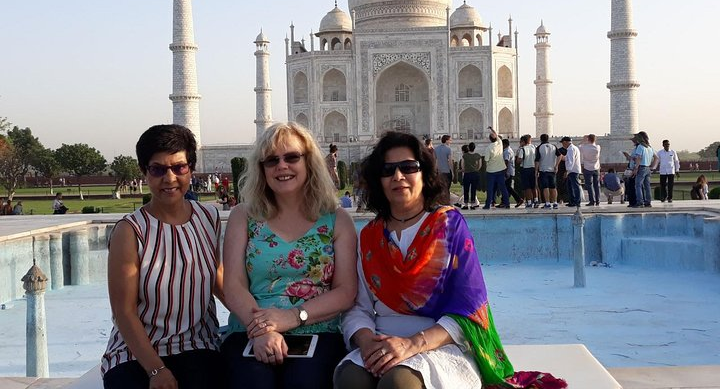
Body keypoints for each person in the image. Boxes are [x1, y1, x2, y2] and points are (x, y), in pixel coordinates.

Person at [334, 131, 566, 389]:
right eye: (388, 170)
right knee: (350, 379)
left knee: (399, 383)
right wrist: (367, 342)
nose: (398, 176)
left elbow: (469, 308)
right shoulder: (370, 236)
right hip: (383, 341)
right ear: (378, 179)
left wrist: (412, 344)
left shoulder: (448, 226)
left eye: (408, 167)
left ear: (424, 173)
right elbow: (359, 307)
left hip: (439, 343)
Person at [221, 122, 357, 389]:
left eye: (292, 157)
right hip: (252, 330)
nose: (281, 166)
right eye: (272, 160)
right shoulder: (244, 216)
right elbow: (233, 285)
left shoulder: (336, 220)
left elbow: (345, 291)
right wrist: (262, 330)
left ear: (309, 162)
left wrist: (293, 317)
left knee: (305, 382)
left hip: (317, 329)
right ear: (262, 169)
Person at [101, 124, 225, 388]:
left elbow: (218, 279)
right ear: (144, 172)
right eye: (158, 169)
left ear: (191, 168)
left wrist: (259, 318)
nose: (169, 178)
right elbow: (124, 311)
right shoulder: (130, 231)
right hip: (136, 350)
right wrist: (156, 370)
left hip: (197, 343)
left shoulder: (208, 217)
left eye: (179, 167)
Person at [483, 127, 510, 209]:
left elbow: (486, 159)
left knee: (490, 188)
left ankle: (488, 205)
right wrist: (492, 129)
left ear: (490, 139)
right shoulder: (500, 143)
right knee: (503, 188)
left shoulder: (488, 148)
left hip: (491, 171)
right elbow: (496, 135)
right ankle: (507, 203)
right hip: (501, 169)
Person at [631, 131, 658, 208]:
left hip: (641, 167)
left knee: (638, 185)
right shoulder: (649, 147)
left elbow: (639, 158)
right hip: (648, 167)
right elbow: (656, 158)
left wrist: (636, 168)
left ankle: (640, 202)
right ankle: (648, 202)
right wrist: (653, 167)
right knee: (647, 186)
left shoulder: (640, 147)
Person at [535, 134, 559, 209]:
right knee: (553, 187)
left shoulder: (539, 147)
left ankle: (547, 203)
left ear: (541, 139)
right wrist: (556, 165)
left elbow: (537, 160)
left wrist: (536, 170)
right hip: (552, 169)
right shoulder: (553, 146)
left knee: (545, 187)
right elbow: (560, 155)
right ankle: (555, 202)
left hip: (543, 170)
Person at [558, 137, 581, 207]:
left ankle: (576, 201)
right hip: (573, 170)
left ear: (565, 142)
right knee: (570, 187)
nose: (562, 145)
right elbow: (567, 159)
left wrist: (567, 171)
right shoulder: (574, 148)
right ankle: (572, 201)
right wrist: (561, 157)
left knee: (574, 186)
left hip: (572, 171)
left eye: (563, 143)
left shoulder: (571, 149)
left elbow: (571, 161)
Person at [516, 134, 538, 208]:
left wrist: (517, 158)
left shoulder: (522, 149)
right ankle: (536, 200)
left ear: (523, 141)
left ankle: (529, 202)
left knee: (527, 187)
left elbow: (519, 160)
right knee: (533, 187)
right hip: (533, 168)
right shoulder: (534, 147)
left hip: (525, 169)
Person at [579, 134, 601, 206]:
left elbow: (579, 146)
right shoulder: (598, 147)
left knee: (589, 185)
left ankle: (592, 201)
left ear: (588, 139)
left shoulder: (584, 147)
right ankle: (598, 200)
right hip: (596, 168)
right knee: (596, 185)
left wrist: (583, 140)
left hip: (587, 168)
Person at [502, 139, 523, 208]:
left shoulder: (507, 152)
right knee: (507, 187)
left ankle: (518, 199)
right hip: (510, 171)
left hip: (508, 172)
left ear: (505, 144)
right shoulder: (510, 150)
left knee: (508, 187)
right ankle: (504, 201)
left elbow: (506, 162)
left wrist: (505, 172)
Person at [460, 142, 482, 210]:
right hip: (475, 174)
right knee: (473, 190)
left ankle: (466, 204)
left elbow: (462, 165)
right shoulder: (477, 155)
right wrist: (476, 169)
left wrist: (464, 169)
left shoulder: (465, 156)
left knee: (466, 190)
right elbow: (480, 165)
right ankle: (472, 204)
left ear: (469, 148)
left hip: (467, 174)